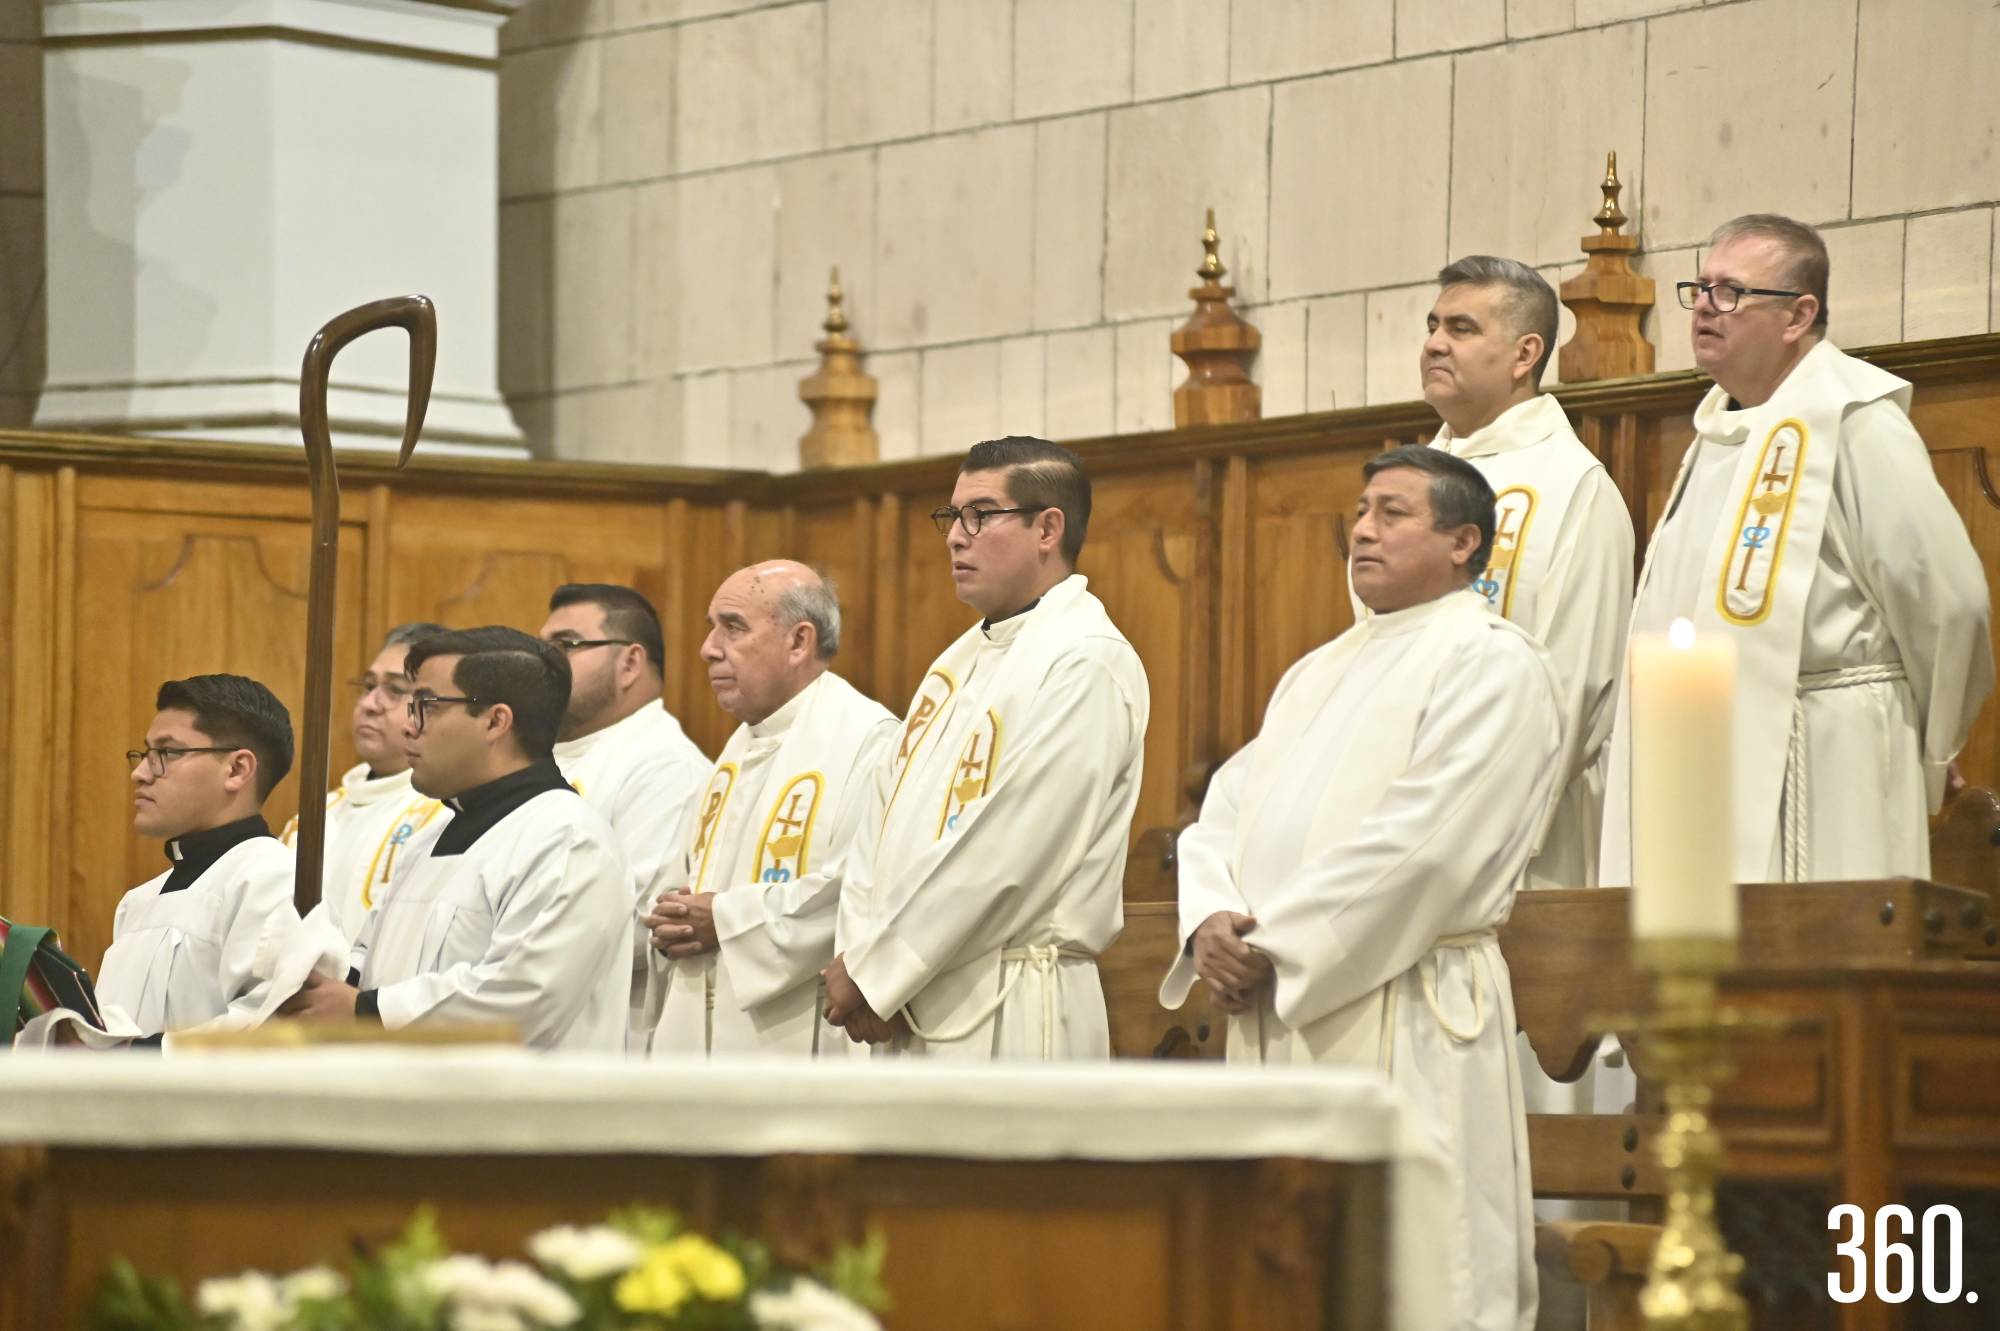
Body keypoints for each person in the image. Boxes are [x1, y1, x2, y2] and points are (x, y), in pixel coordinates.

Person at [1164, 446, 1565, 1331]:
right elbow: (1224, 808)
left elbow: (1426, 844)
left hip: (1409, 1006)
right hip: (1277, 1008)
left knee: (1421, 1275)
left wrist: (1270, 947)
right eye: (1359, 510)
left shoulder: (1494, 662)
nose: (1363, 529)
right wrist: (1210, 921)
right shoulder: (1318, 669)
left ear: (1464, 541)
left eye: (1393, 512)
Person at [1601, 214, 1993, 886]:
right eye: (1699, 288)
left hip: (1826, 755)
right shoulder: (1715, 435)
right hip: (1701, 767)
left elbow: (1950, 604)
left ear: (1798, 315)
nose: (1704, 307)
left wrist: (1929, 752)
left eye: (1730, 292)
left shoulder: (1857, 422)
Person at [823, 437, 1149, 1059]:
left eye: (979, 514)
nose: (954, 536)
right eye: (951, 516)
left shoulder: (1086, 660)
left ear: (1047, 527)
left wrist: (877, 971)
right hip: (906, 997)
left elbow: (1010, 851)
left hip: (1012, 1003)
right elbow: (880, 826)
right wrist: (862, 958)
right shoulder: (958, 662)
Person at [278, 628, 631, 1051]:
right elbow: (369, 952)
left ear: (495, 721)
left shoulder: (568, 841)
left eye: (425, 705)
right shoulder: (427, 840)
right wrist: (326, 985)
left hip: (517, 1110)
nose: (409, 726)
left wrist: (366, 1011)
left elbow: (522, 998)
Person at [1414, 255, 1633, 889]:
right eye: (1432, 325)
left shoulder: (1574, 488)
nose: (1433, 343)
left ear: (1524, 354)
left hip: (1517, 851)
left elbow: (1575, 685)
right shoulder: (1409, 480)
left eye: (1461, 328)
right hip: (1398, 838)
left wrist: (1470, 835)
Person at [640, 562, 897, 1055]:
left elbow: (859, 894)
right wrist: (673, 916)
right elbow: (693, 880)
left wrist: (724, 919)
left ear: (799, 642)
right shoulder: (736, 749)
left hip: (799, 1031)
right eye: (711, 626)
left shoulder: (868, 740)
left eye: (732, 627)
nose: (708, 648)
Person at [539, 583, 708, 1037]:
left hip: (606, 1032)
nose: (545, 663)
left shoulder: (664, 766)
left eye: (566, 645)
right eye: (542, 648)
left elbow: (640, 921)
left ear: (630, 662)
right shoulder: (541, 754)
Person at [100, 674, 299, 1037]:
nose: (141, 774)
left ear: (237, 770)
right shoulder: (137, 902)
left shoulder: (273, 879)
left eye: (168, 752)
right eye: (145, 753)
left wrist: (139, 1059)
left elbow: (271, 1025)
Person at [283, 622, 446, 943]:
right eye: (368, 685)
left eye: (396, 690)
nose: (370, 704)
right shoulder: (316, 813)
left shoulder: (439, 814)